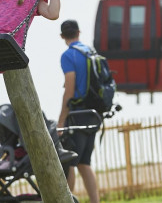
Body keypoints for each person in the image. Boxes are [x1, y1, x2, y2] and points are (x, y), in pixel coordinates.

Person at [57, 19, 101, 203]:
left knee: (70, 162)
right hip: (95, 113)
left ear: (62, 36)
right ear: (79, 32)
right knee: (84, 162)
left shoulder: (68, 56)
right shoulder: (90, 52)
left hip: (77, 114)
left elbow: (70, 89)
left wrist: (61, 120)